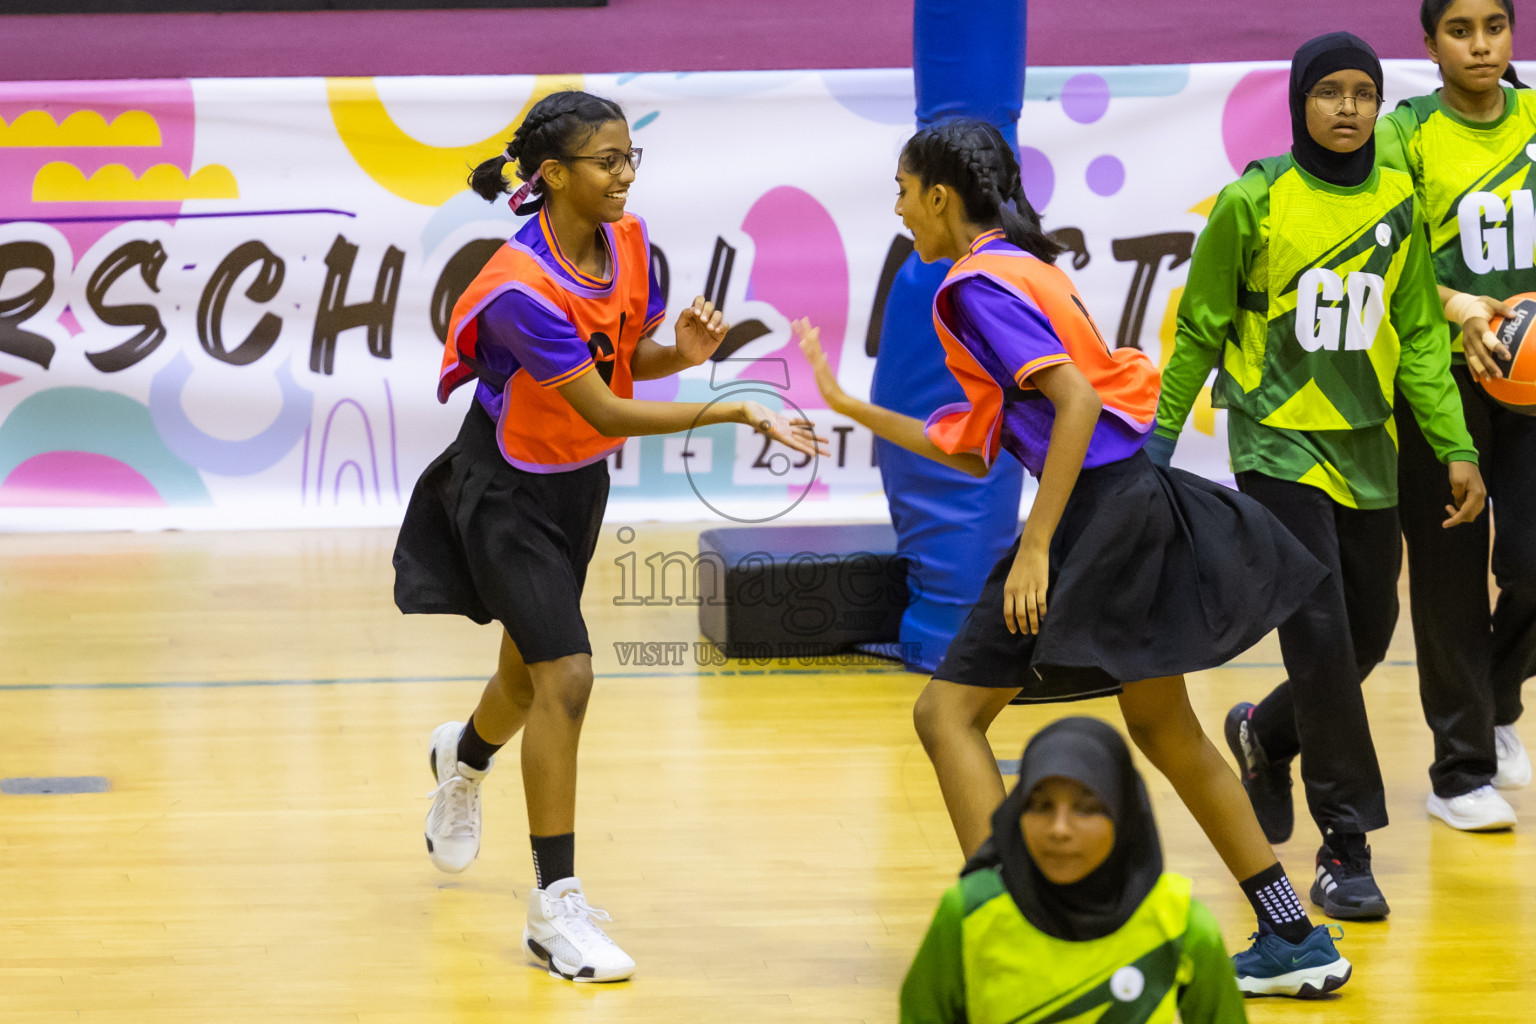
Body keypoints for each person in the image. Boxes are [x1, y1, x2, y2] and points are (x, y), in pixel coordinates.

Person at [798, 117, 1350, 997]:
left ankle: (1013, 932)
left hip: (1099, 514)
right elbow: (977, 450)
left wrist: (1039, 549)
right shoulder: (1028, 270)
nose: (900, 212)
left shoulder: (974, 285)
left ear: (941, 196)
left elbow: (1079, 403)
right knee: (1165, 727)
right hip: (1134, 498)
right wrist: (844, 404)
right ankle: (1293, 934)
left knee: (945, 717)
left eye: (903, 193)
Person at [392, 90, 824, 984]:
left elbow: (621, 363)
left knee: (526, 676)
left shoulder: (628, 244)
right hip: (501, 492)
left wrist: (686, 354)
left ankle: (462, 760)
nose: (625, 175)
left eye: (632, 157)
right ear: (553, 176)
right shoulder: (519, 290)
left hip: (574, 488)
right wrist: (732, 402)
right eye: (607, 161)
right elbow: (606, 406)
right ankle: (554, 911)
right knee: (570, 677)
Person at [1152, 32, 1487, 919]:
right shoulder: (1254, 202)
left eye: (1364, 93)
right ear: (1301, 101)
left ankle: (1264, 731)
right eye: (1329, 91)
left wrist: (1456, 446)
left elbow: (1420, 338)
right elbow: (1199, 332)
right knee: (1320, 633)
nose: (1348, 108)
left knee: (1370, 632)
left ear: (1381, 104)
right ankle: (1347, 846)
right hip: (1276, 445)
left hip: (1367, 448)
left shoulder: (1399, 201)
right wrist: (1157, 443)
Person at [1374, 0, 1536, 832]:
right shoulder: (1404, 134)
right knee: (1446, 579)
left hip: (1535, 380)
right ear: (1429, 42)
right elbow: (1384, 253)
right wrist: (1453, 302)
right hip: (1441, 385)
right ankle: (1459, 770)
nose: (1480, 46)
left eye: (1495, 28)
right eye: (1460, 30)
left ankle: (1497, 695)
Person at [899, 718, 1249, 1024]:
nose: (1060, 829)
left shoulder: (1182, 924)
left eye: (1086, 808)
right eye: (1041, 806)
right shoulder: (968, 910)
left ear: (1123, 814)